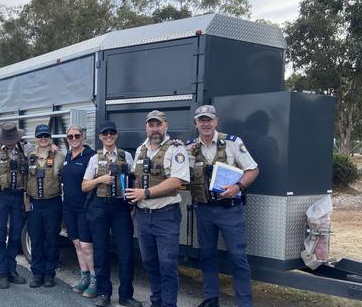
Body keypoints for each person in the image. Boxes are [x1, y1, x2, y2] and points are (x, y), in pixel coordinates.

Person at [185, 105, 259, 307]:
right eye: (202, 120)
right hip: (205, 210)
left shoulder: (233, 143)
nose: (206, 124)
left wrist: (238, 186)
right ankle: (211, 299)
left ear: (216, 121)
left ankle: (244, 303)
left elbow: (253, 170)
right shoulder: (189, 147)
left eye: (209, 120)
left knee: (238, 258)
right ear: (196, 124)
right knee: (207, 256)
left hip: (230, 210)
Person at [125, 110, 189, 307]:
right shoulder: (140, 150)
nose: (155, 129)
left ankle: (169, 304)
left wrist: (145, 193)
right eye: (151, 125)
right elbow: (136, 179)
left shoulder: (176, 149)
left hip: (166, 216)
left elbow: (176, 181)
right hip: (144, 216)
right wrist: (134, 202)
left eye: (158, 124)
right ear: (146, 127)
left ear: (165, 126)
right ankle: (156, 301)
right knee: (150, 264)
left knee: (167, 264)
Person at [82, 121, 142, 307]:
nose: (108, 136)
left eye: (111, 133)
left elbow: (135, 181)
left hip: (121, 209)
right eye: (105, 134)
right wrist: (101, 179)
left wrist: (133, 205)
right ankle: (103, 293)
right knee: (100, 253)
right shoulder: (94, 158)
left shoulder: (127, 156)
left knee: (125, 253)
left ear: (116, 135)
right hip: (99, 208)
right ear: (100, 137)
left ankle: (126, 296)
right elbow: (84, 186)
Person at [0, 122, 30, 289]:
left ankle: (11, 270)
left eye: (12, 139)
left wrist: (53, 147)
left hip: (18, 195)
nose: (10, 142)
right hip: (0, 195)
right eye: (7, 139)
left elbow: (42, 151)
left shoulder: (26, 149)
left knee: (15, 235)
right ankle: (2, 273)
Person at [26, 124, 65, 288]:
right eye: (40, 136)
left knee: (52, 239)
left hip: (52, 202)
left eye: (46, 136)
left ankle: (49, 274)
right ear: (36, 138)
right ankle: (37, 274)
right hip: (35, 203)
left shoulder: (59, 156)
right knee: (36, 239)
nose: (43, 139)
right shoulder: (28, 156)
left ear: (50, 138)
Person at [62, 125, 97, 298]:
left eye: (77, 136)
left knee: (86, 246)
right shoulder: (67, 156)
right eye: (70, 136)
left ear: (83, 136)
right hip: (68, 207)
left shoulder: (91, 156)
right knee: (76, 243)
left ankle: (94, 279)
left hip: (84, 207)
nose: (74, 139)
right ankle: (84, 277)